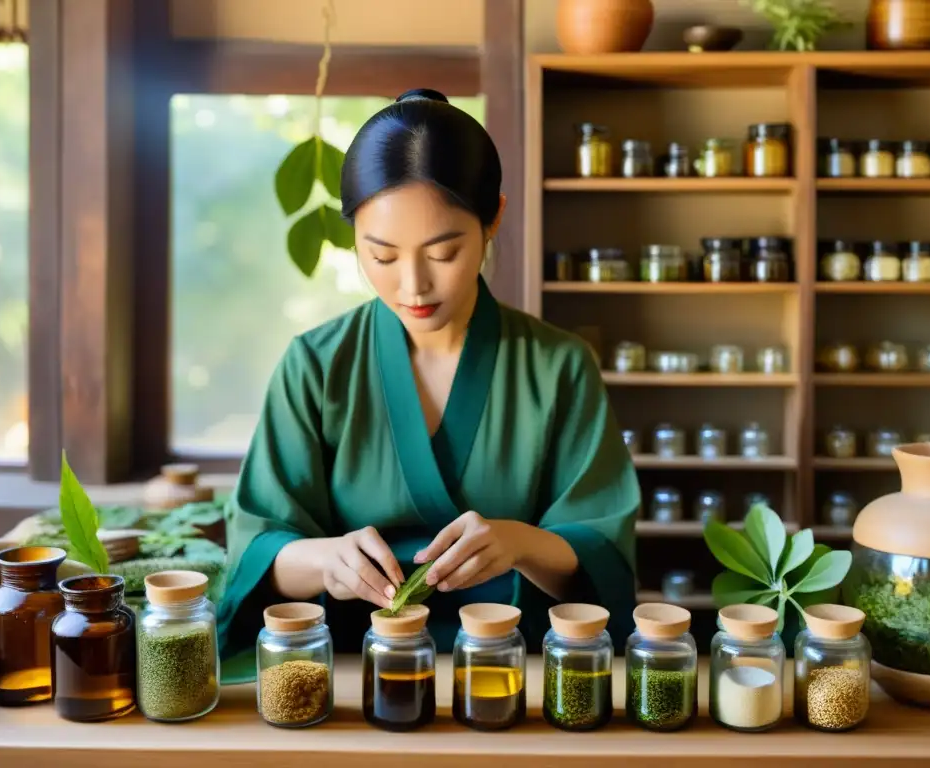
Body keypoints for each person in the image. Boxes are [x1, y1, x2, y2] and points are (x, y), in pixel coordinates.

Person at [217, 88, 640, 676]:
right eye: (383, 256)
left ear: (494, 217)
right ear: (354, 238)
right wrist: (328, 561)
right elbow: (256, 554)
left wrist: (518, 541)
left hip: (518, 670)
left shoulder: (559, 365)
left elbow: (603, 555)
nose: (413, 286)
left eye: (444, 252)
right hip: (349, 671)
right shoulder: (314, 364)